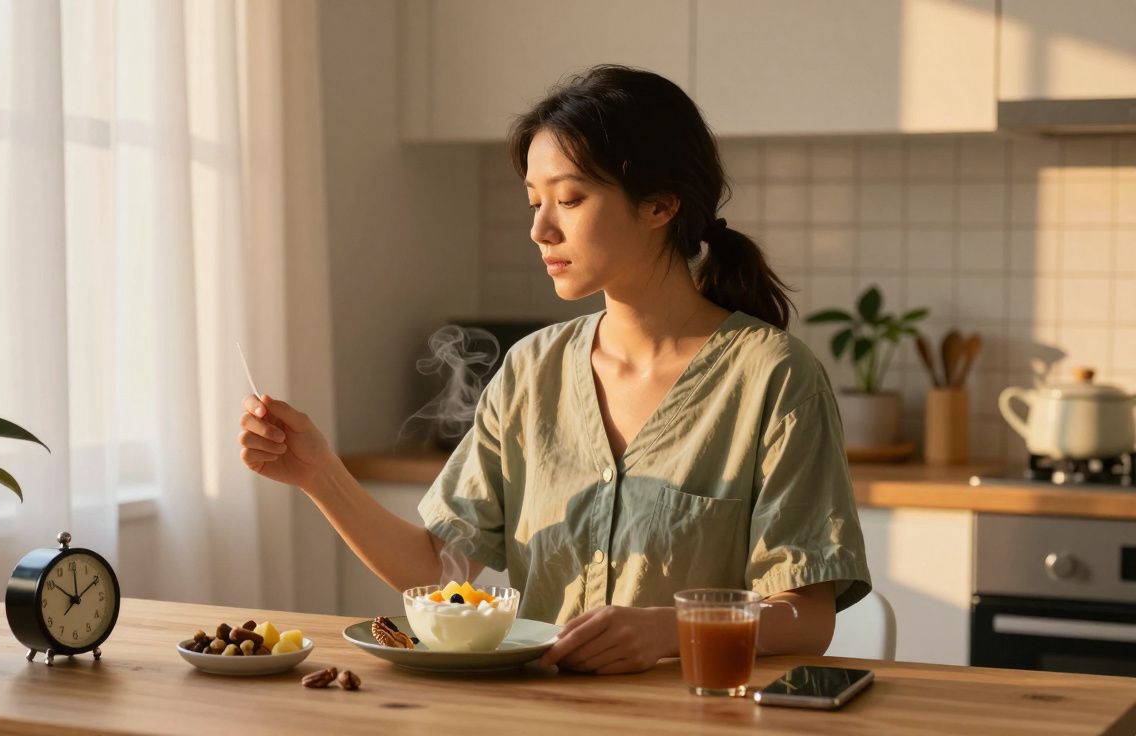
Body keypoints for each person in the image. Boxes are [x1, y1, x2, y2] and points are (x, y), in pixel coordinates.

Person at [238, 64, 870, 675]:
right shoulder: (529, 370)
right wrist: (320, 473)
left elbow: (808, 616)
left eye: (569, 199)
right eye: (534, 200)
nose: (540, 228)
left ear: (659, 205)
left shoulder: (772, 376)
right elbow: (438, 573)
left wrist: (667, 630)